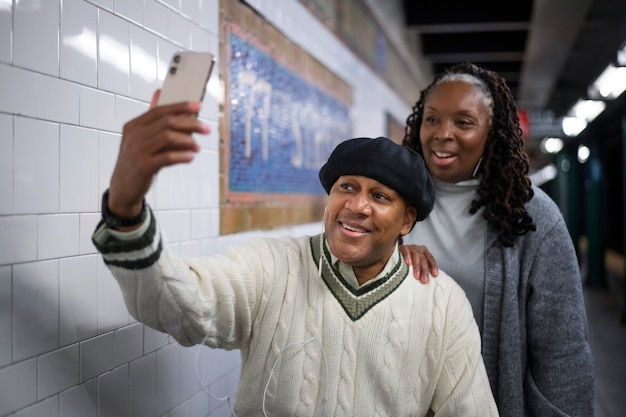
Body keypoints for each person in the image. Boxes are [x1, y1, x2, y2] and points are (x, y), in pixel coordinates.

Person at [91, 91, 499, 416]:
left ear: (407, 221)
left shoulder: (442, 303)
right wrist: (126, 208)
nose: (357, 206)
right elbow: (180, 306)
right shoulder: (272, 267)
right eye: (347, 187)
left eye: (379, 196)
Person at [400, 62, 595, 417]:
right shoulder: (392, 200)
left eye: (464, 122)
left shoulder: (532, 217)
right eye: (432, 119)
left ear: (494, 131)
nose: (443, 133)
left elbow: (561, 350)